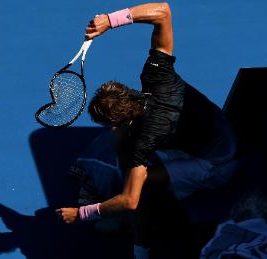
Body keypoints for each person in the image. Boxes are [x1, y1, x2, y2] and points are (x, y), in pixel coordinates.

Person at [56, 2, 238, 258]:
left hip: (216, 162)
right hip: (211, 132)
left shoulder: (143, 140)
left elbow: (130, 199)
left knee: (139, 191)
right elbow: (163, 11)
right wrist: (110, 20)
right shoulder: (156, 74)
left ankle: (141, 252)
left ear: (119, 118)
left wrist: (81, 214)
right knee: (118, 148)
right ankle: (116, 201)